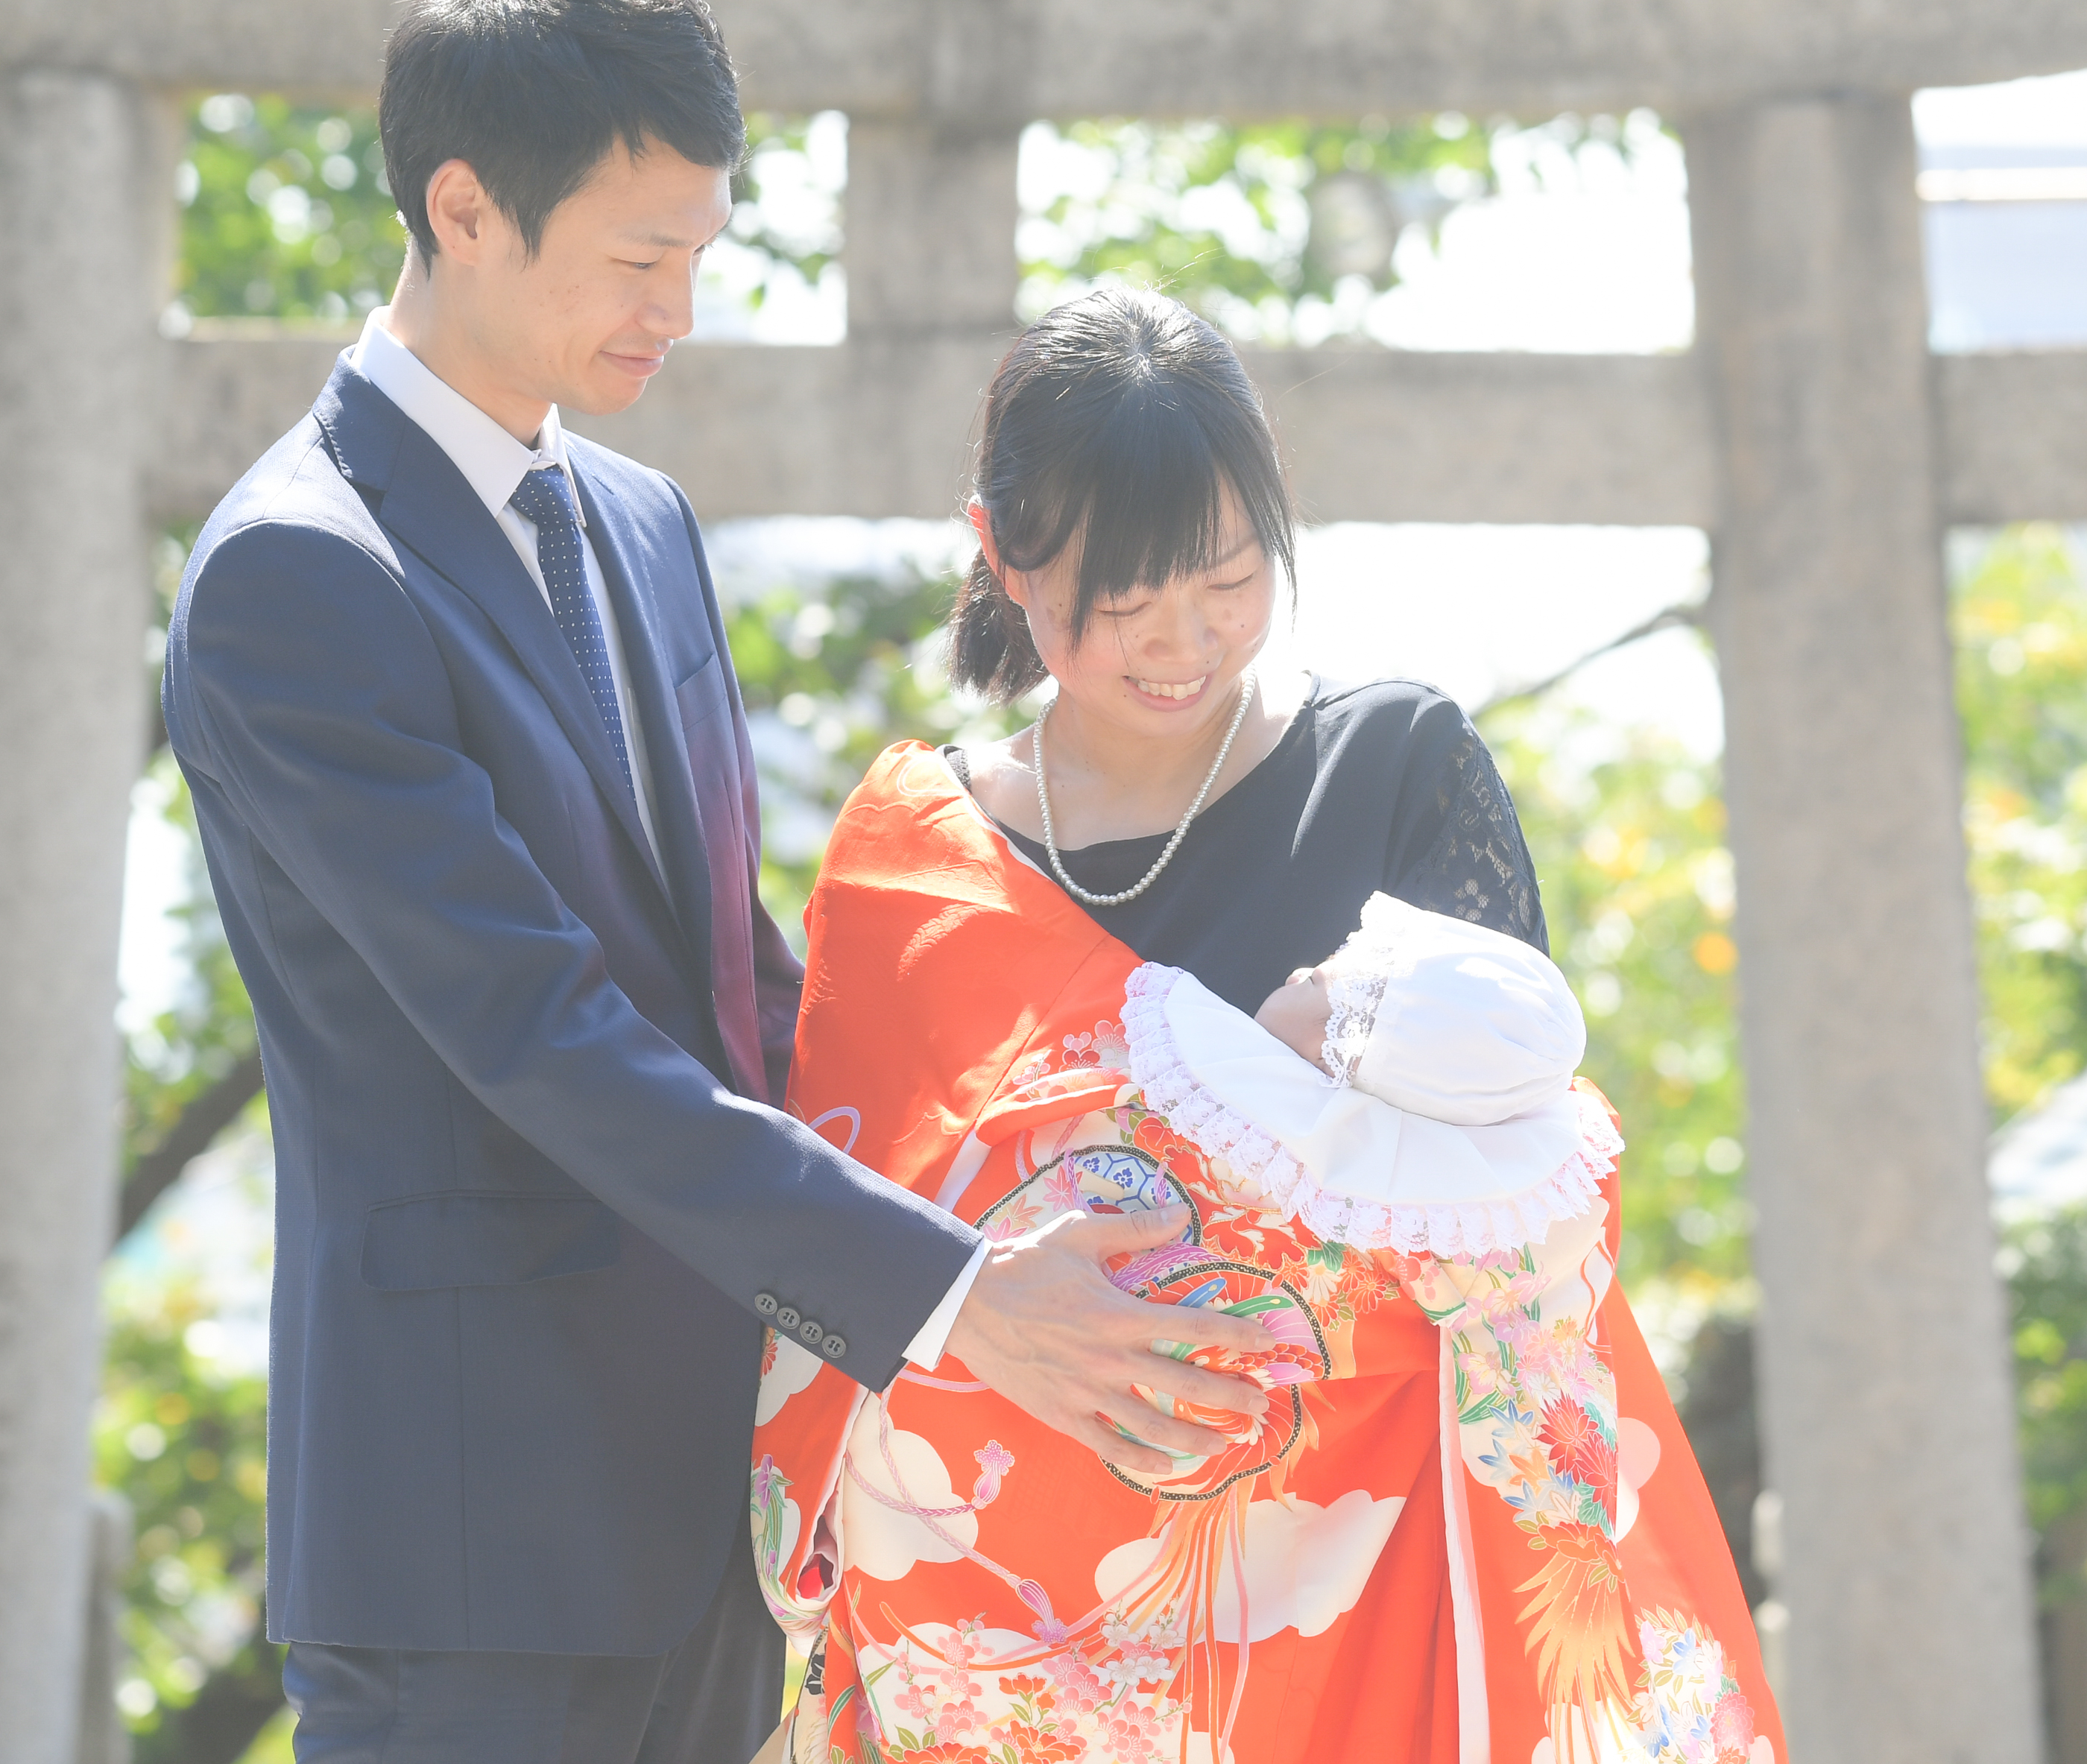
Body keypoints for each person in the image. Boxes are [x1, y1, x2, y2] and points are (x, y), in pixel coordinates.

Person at [161, 0, 1267, 1763]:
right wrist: (957, 1298)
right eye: (637, 255)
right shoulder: (300, 573)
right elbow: (544, 1038)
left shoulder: (642, 519)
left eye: (699, 251)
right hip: (473, 1552)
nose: (674, 305)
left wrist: (1055, 1161)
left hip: (721, 1508)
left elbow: (739, 985)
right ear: (462, 207)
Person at [746, 291, 1781, 1760]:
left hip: (1364, 1607)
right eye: (1123, 601)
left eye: (1228, 581)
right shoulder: (919, 856)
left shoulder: (1397, 765)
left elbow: (1525, 1181)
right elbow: (825, 1246)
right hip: (1004, 1649)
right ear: (1003, 557)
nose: (1184, 643)